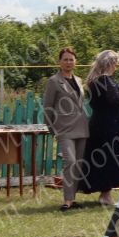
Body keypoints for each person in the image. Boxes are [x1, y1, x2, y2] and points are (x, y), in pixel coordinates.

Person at [42, 46, 91, 211]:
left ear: (75, 62)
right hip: (64, 129)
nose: (68, 62)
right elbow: (48, 107)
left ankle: (73, 198)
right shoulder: (53, 81)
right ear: (59, 62)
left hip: (82, 127)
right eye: (65, 59)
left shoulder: (78, 80)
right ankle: (67, 200)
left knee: (78, 164)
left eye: (71, 59)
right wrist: (52, 129)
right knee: (69, 162)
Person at [79, 51, 119, 204]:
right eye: (116, 63)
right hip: (108, 126)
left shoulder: (97, 80)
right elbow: (114, 100)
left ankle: (105, 193)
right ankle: (105, 195)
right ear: (111, 63)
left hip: (100, 124)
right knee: (109, 160)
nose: (117, 66)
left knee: (104, 159)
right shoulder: (105, 80)